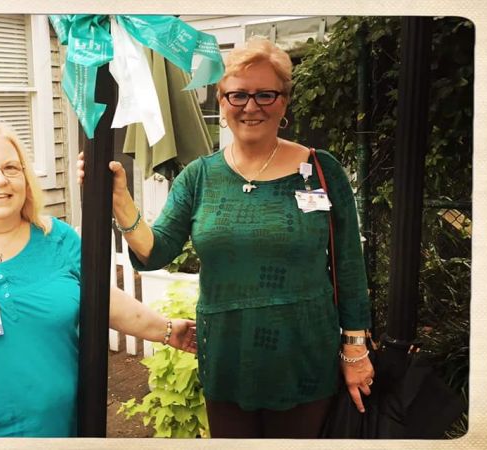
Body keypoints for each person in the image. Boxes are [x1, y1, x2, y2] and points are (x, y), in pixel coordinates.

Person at [77, 37, 375, 438]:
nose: (251, 107)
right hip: (227, 358)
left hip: (304, 357)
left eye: (265, 94)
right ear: (221, 101)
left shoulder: (322, 170)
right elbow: (155, 251)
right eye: (238, 95)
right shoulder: (199, 177)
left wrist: (355, 348)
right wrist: (120, 200)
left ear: (284, 101)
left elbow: (349, 266)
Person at [0, 121, 196, 437]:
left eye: (11, 168)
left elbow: (101, 298)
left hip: (50, 430)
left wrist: (166, 330)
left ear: (26, 179)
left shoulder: (57, 239)